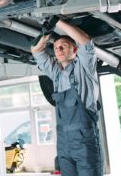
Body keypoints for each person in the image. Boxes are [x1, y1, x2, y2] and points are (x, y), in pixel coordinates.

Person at [31, 18, 102, 176]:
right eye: (56, 47)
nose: (59, 49)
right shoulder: (56, 74)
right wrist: (44, 35)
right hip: (63, 143)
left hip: (84, 142)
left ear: (74, 49)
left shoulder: (84, 68)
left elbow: (86, 42)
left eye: (64, 46)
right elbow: (36, 51)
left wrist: (58, 22)